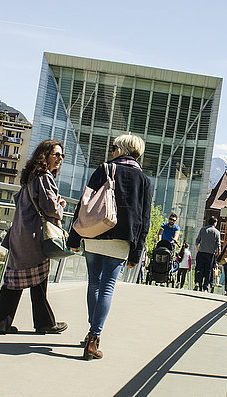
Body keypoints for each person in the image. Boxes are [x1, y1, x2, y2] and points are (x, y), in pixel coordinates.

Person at [68, 134, 151, 360]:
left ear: (121, 149)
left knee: (93, 284)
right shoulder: (143, 180)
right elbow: (144, 219)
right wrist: (137, 251)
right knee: (107, 287)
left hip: (94, 234)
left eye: (114, 147)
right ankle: (94, 338)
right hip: (121, 241)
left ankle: (91, 333)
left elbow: (84, 203)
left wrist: (74, 238)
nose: (112, 150)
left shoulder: (103, 169)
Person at [0, 140, 68, 335]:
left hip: (20, 233)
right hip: (34, 235)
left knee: (17, 278)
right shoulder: (44, 176)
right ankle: (43, 323)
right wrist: (60, 206)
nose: (60, 159)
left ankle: (0, 323)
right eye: (56, 154)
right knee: (36, 277)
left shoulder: (30, 176)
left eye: (62, 156)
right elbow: (50, 206)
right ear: (45, 155)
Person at [194, 217, 221, 292]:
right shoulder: (217, 232)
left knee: (198, 268)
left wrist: (198, 249)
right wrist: (217, 255)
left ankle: (197, 282)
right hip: (210, 254)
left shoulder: (203, 230)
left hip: (201, 252)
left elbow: (197, 241)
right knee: (208, 270)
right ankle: (205, 286)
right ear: (215, 223)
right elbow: (218, 246)